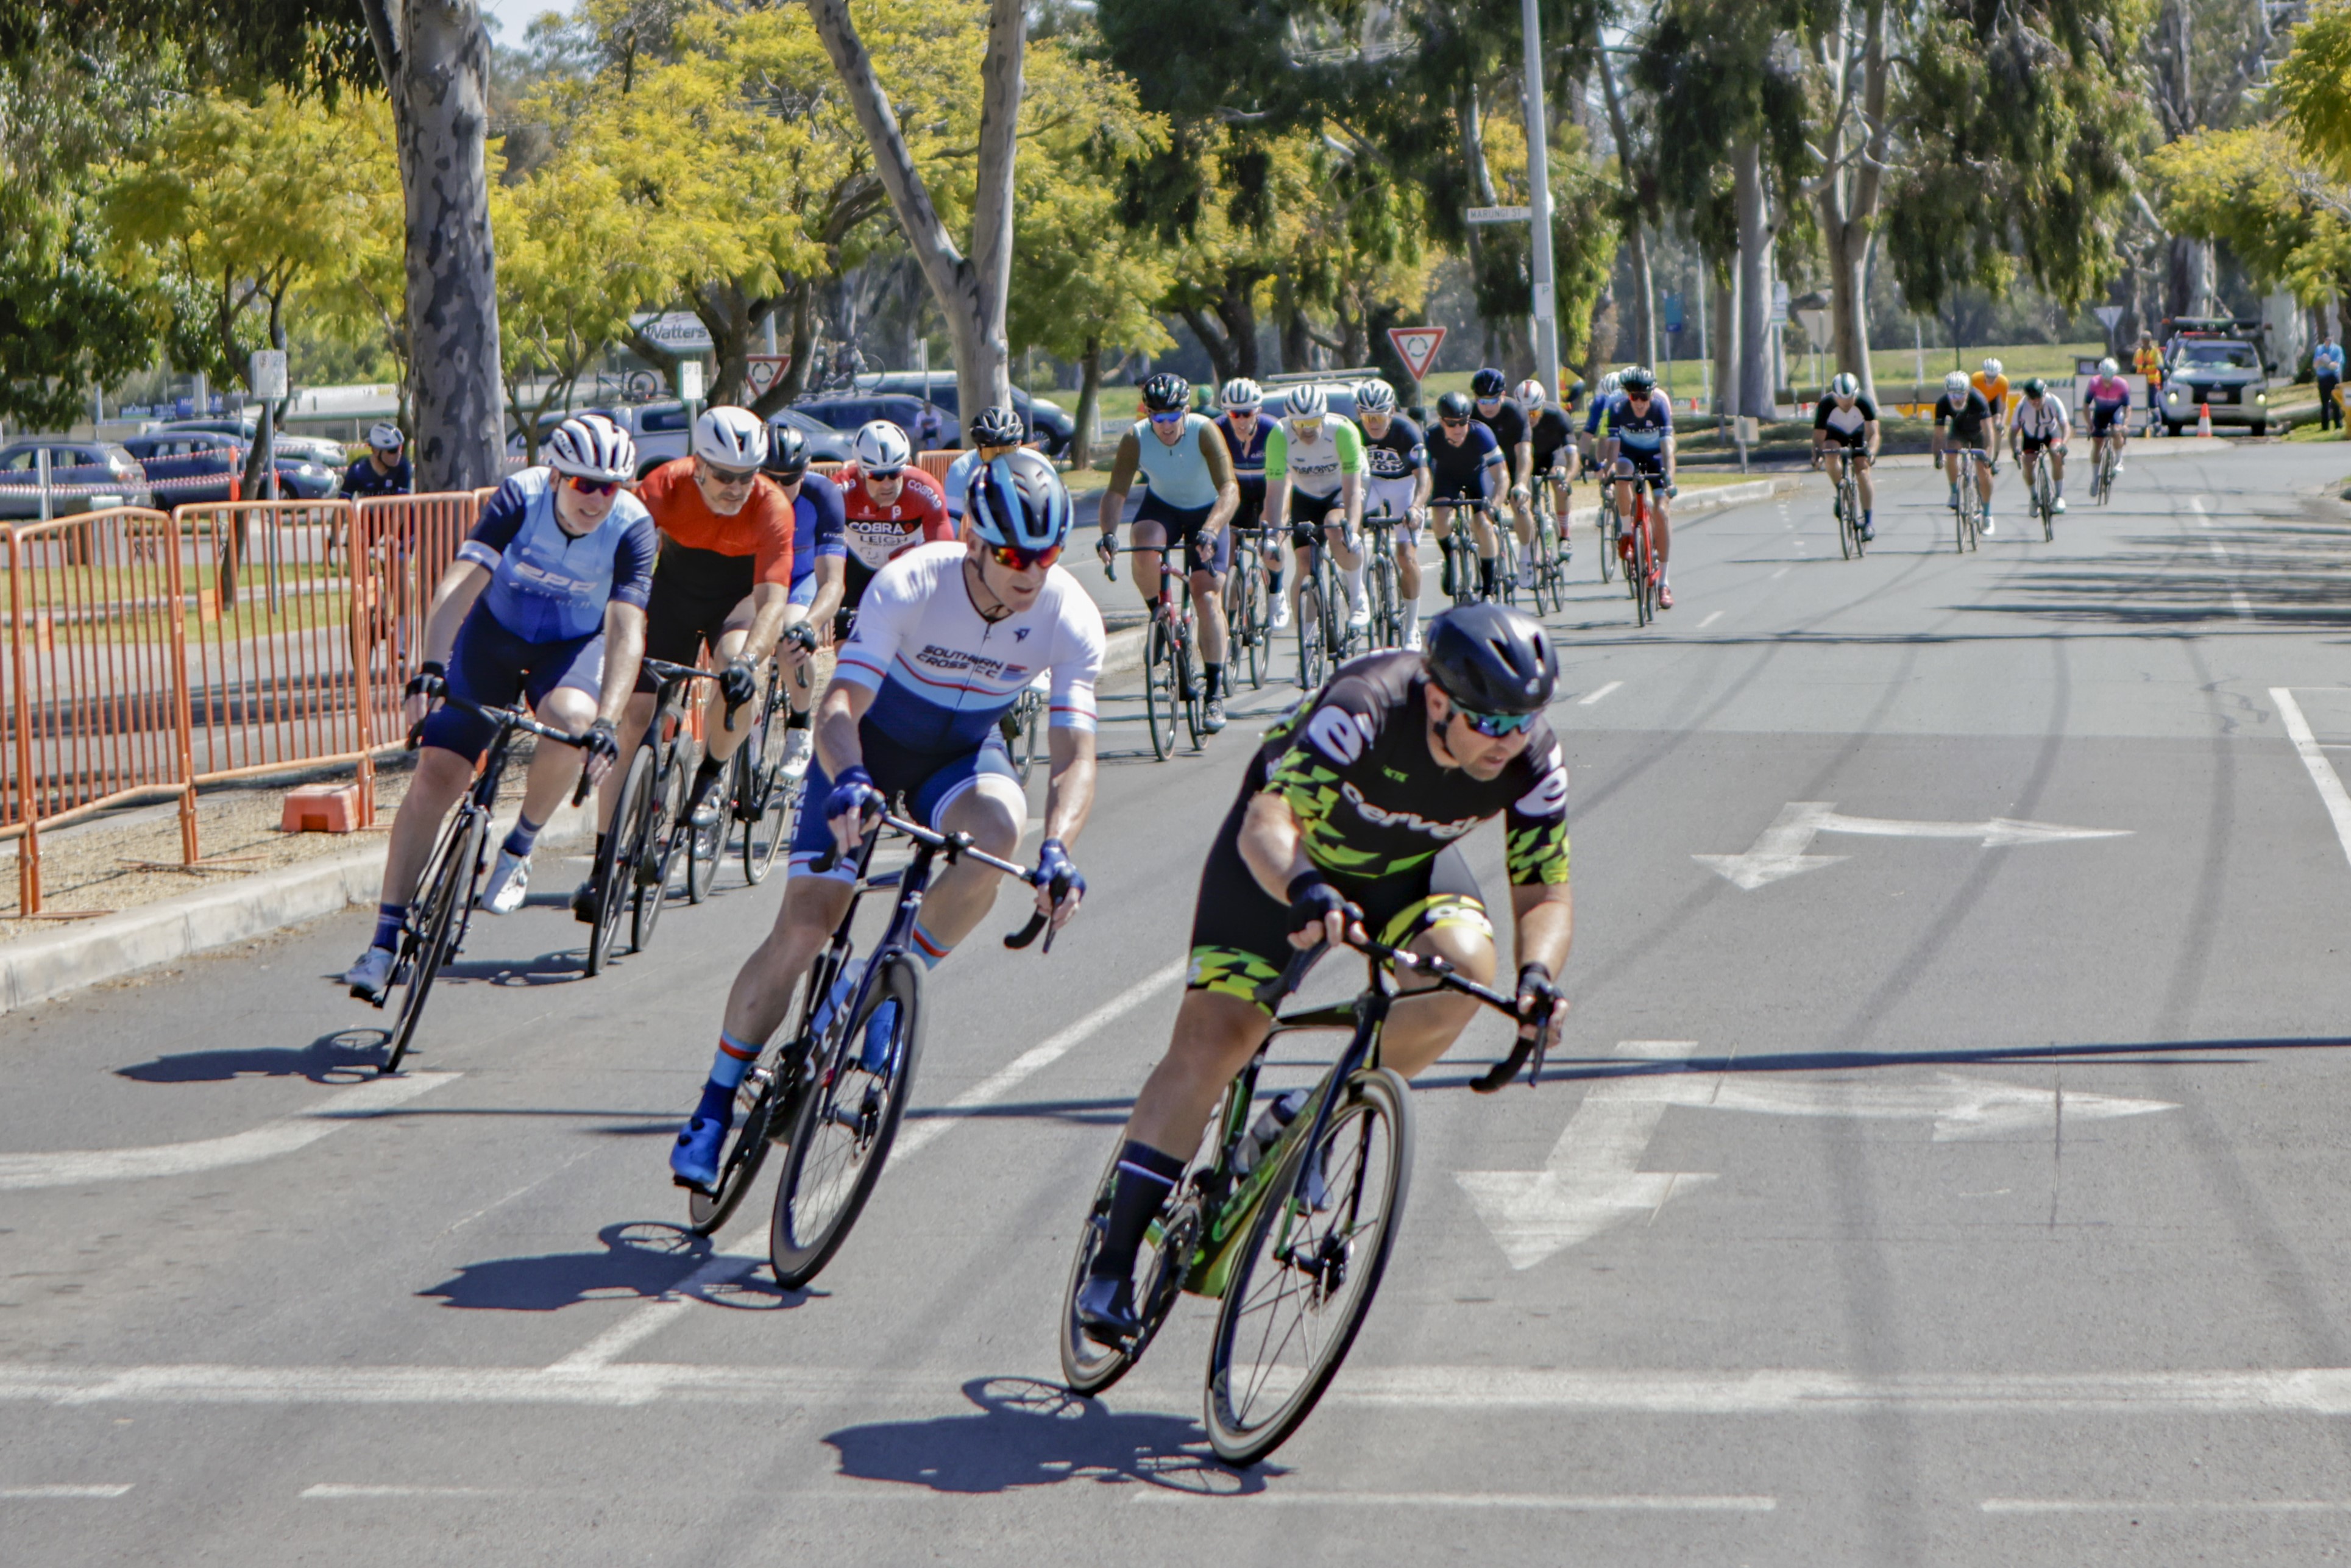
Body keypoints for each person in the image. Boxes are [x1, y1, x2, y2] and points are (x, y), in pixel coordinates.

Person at [1071, 603, 1572, 1343]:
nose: (1510, 740)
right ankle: (1112, 1263)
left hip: (1405, 870)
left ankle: (1308, 1115)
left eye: (1524, 720)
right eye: (1490, 721)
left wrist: (1538, 978)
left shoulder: (1532, 760)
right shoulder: (1366, 705)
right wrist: (1305, 887)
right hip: (1288, 860)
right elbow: (1266, 821)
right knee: (1219, 1037)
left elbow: (1544, 890)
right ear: (1438, 700)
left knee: (1464, 972)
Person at [669, 450, 1104, 1191]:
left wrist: (1059, 845)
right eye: (1010, 554)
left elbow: (1074, 754)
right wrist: (851, 781)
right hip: (866, 752)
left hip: (960, 757)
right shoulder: (916, 580)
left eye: (1047, 554)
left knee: (1004, 830)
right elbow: (840, 707)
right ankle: (713, 1106)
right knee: (805, 928)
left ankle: (885, 985)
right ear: (973, 538)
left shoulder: (1069, 613)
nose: (1030, 572)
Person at [341, 414, 652, 998]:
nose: (596, 498)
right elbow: (461, 580)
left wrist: (609, 720)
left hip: (570, 647)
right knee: (438, 775)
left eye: (609, 486)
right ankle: (382, 945)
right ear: (557, 475)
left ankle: (521, 844)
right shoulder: (521, 495)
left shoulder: (634, 527)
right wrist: (432, 668)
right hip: (493, 637)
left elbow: (627, 631)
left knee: (572, 725)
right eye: (584, 483)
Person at [568, 408, 794, 917]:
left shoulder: (772, 506)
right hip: (671, 597)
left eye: (747, 475)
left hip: (735, 603)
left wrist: (752, 660)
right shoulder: (663, 486)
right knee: (633, 719)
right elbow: (616, 556)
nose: (737, 488)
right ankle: (604, 865)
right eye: (724, 476)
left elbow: (772, 601)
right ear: (697, 466)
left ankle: (711, 775)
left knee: (739, 674)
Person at [1095, 372, 1242, 732]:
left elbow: (1230, 488)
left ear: (1186, 412)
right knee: (1144, 545)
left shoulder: (1204, 429)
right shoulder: (1137, 437)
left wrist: (1211, 529)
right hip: (1163, 507)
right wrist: (1108, 534)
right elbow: (1116, 493)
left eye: (1172, 416)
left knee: (1206, 595)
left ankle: (1214, 693)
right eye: (1156, 417)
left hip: (1207, 511)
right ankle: (1160, 616)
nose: (1164, 425)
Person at [763, 420, 845, 781]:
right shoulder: (743, 492)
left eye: (789, 479)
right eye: (770, 478)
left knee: (792, 636)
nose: (779, 488)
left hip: (800, 578)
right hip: (759, 581)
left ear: (806, 472)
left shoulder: (823, 495)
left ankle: (799, 725)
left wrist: (809, 625)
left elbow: (832, 582)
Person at [1261, 383, 1369, 630]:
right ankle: (1307, 645)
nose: (1306, 430)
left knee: (1336, 528)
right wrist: (1272, 534)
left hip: (1338, 491)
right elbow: (1275, 493)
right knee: (1304, 564)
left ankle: (1357, 593)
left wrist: (1352, 530)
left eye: (1311, 423)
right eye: (1299, 424)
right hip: (1305, 495)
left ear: (1323, 416)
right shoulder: (1279, 435)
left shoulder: (1343, 431)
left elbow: (1353, 490)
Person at [837, 419, 954, 640]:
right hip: (857, 569)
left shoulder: (925, 490)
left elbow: (942, 555)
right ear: (860, 471)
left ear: (907, 464)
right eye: (876, 476)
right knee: (847, 649)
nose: (887, 484)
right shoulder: (841, 490)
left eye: (895, 473)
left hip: (906, 570)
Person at [1353, 378, 1431, 648]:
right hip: (1372, 484)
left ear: (1391, 411)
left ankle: (1411, 628)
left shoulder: (1407, 430)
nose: (1374, 422)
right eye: (1367, 416)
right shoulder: (1354, 433)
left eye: (1380, 415)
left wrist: (1417, 507)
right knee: (1350, 534)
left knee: (1406, 557)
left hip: (1404, 487)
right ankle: (1358, 594)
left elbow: (1424, 477)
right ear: (1359, 413)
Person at [1598, 367, 1678, 606]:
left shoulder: (1660, 406)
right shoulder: (1617, 408)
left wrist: (1670, 478)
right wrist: (1609, 470)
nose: (1641, 403)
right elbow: (1613, 447)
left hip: (1656, 456)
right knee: (1622, 475)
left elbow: (1668, 450)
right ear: (1627, 396)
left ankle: (1663, 582)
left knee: (1661, 512)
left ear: (1652, 396)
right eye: (1635, 397)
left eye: (1645, 397)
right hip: (1629, 455)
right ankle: (1626, 532)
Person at [1214, 379, 1283, 625]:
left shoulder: (1274, 431)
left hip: (1269, 491)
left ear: (1258, 411)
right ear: (1226, 413)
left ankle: (1276, 592)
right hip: (1238, 495)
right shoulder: (1216, 431)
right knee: (1227, 552)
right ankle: (1230, 619)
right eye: (1234, 414)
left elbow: (1285, 485)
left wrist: (1274, 525)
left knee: (1270, 544)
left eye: (1247, 413)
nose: (1241, 421)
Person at [1424, 389, 1505, 597]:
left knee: (1483, 524)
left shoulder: (1482, 434)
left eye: (1463, 422)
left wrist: (1495, 505)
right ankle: (1450, 557)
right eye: (1451, 424)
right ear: (1442, 422)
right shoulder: (1430, 437)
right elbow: (1423, 475)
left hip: (1478, 476)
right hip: (1447, 477)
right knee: (1440, 517)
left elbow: (1502, 476)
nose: (1458, 428)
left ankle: (1488, 590)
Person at [1469, 367, 1538, 593]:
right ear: (1475, 398)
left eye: (1493, 400)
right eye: (1482, 400)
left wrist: (1521, 484)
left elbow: (1525, 454)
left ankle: (1526, 555)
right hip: (1486, 468)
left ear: (1503, 394)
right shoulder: (1468, 415)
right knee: (1479, 515)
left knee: (1521, 505)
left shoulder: (1515, 412)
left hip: (1512, 462)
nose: (1487, 406)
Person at [1810, 372, 1880, 541]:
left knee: (1862, 471)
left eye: (1850, 399)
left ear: (1856, 394)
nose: (1847, 403)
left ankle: (1869, 522)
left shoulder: (1865, 402)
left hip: (1858, 435)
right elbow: (1818, 437)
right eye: (1842, 399)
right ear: (1835, 396)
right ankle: (1840, 489)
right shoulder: (1826, 405)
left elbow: (1874, 433)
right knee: (1830, 453)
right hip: (1836, 435)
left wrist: (1871, 452)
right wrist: (1816, 456)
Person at [1932, 369, 1997, 533]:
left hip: (1979, 433)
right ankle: (1954, 491)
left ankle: (1987, 515)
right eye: (1952, 395)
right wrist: (1938, 456)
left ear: (1968, 392)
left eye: (1960, 394)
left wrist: (1988, 455)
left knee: (1984, 471)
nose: (1957, 399)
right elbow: (1939, 435)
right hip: (1959, 432)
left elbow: (1989, 433)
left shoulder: (1978, 399)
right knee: (1951, 451)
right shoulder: (1942, 403)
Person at [1519, 378, 1577, 557]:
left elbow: (1573, 456)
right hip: (1526, 458)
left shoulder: (1558, 416)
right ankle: (1530, 548)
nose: (1530, 419)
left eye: (1535, 413)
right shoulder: (1511, 419)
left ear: (1543, 407)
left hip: (1553, 455)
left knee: (1558, 480)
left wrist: (1567, 480)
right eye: (1525, 413)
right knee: (1524, 498)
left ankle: (1565, 537)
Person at [945, 405, 1029, 520]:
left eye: (1007, 451)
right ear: (977, 449)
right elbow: (951, 528)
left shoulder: (1038, 464)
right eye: (991, 453)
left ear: (1020, 444)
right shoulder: (961, 470)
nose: (1000, 460)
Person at [2009, 377, 2069, 513]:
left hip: (2051, 433)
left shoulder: (2053, 401)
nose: (2035, 401)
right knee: (2028, 464)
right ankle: (2034, 497)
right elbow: (2013, 432)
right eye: (2031, 398)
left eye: (2038, 398)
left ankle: (2059, 497)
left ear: (2045, 394)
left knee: (2056, 454)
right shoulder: (2021, 406)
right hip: (2031, 436)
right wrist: (2015, 450)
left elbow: (2065, 425)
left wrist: (2064, 443)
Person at [2084, 357, 2133, 478]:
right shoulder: (2094, 383)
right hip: (2100, 413)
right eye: (2105, 379)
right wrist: (2090, 424)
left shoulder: (2122, 385)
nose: (2107, 382)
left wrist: (2125, 425)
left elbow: (2128, 408)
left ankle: (2119, 462)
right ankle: (2095, 478)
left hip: (2115, 412)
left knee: (2117, 431)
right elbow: (2086, 406)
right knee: (2097, 443)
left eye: (2110, 379)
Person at [342, 424, 412, 500]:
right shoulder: (358, 470)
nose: (399, 454)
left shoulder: (403, 466)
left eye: (401, 448)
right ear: (375, 450)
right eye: (393, 450)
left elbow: (404, 505)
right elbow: (342, 504)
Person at [1970, 357, 2010, 468]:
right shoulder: (1975, 379)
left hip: (1993, 402)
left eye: (1994, 377)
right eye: (1988, 377)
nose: (1991, 380)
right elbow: (1970, 402)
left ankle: (1995, 460)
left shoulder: (2003, 382)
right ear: (1984, 374)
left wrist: (2002, 424)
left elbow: (2004, 407)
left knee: (1997, 426)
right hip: (1979, 402)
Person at [2133, 332, 2165, 436]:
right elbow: (2134, 367)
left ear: (2150, 340)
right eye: (2144, 339)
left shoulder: (2155, 352)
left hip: (2152, 383)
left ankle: (2157, 427)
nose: (2146, 341)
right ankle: (2143, 427)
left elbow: (2160, 367)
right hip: (2141, 383)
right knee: (2142, 406)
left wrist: (2162, 380)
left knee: (2153, 405)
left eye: (2147, 339)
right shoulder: (2138, 352)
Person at [2316, 331, 2344, 433]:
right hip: (2323, 378)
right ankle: (2325, 427)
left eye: (2330, 339)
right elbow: (2316, 364)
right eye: (2327, 339)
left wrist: (2325, 364)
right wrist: (2322, 362)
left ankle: (2338, 425)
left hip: (2334, 377)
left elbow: (2336, 365)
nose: (2329, 341)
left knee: (2336, 402)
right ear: (2324, 339)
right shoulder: (2319, 349)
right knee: (2325, 403)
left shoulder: (2337, 349)